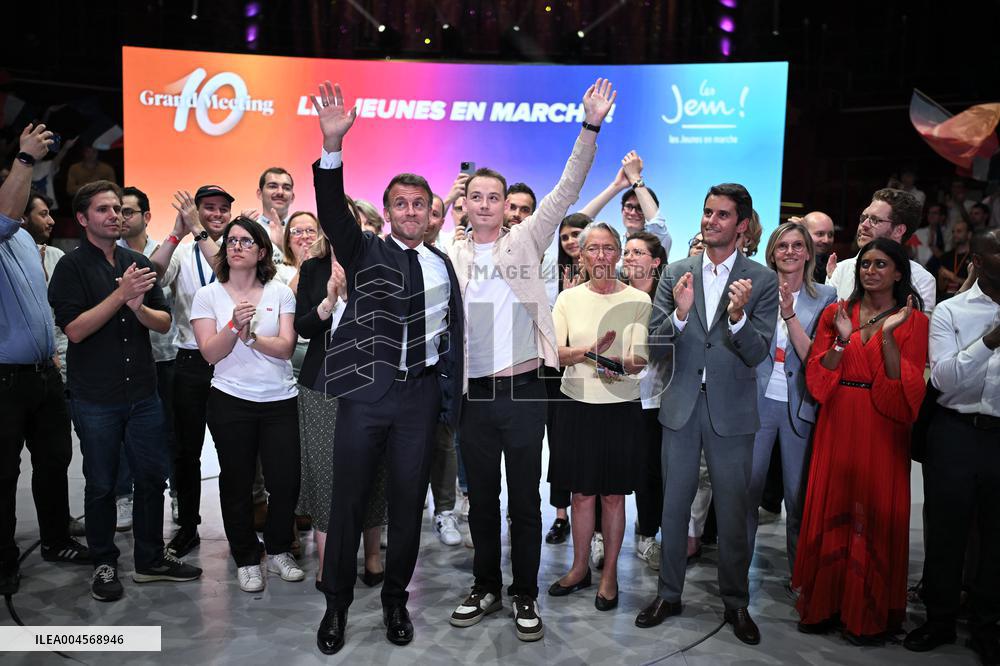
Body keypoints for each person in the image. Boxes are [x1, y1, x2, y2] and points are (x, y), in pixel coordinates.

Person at [445, 79, 617, 642]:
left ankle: (524, 593)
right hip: (471, 394)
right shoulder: (451, 252)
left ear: (504, 205)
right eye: (477, 197)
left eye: (496, 197)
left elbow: (569, 186)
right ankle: (485, 585)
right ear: (464, 203)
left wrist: (589, 126)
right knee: (483, 504)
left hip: (523, 391)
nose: (488, 205)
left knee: (524, 500)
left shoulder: (528, 239)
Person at [310, 81, 464, 655]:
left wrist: (453, 399)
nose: (409, 211)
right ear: (390, 209)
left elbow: (453, 337)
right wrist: (332, 147)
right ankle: (336, 606)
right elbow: (331, 209)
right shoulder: (364, 249)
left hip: (420, 399)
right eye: (399, 203)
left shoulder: (444, 264)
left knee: (407, 505)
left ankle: (396, 600)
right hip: (366, 398)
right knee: (347, 502)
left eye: (418, 204)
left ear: (431, 213)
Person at [49, 180, 202, 601]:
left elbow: (164, 323)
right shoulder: (71, 268)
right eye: (103, 210)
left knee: (151, 477)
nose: (114, 215)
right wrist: (120, 296)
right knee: (101, 483)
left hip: (143, 393)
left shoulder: (138, 261)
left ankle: (151, 559)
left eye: (117, 209)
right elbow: (75, 330)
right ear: (82, 219)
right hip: (95, 396)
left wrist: (139, 307)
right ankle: (103, 561)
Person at [640, 183, 778, 645]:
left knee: (735, 513)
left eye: (722, 215)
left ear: (741, 226)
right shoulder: (677, 272)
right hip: (680, 407)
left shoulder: (761, 280)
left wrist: (738, 318)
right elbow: (654, 344)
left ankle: (736, 603)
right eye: (707, 212)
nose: (710, 221)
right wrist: (679, 315)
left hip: (733, 413)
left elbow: (759, 354)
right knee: (673, 509)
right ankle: (669, 593)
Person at [794, 238, 928, 644]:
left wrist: (887, 336)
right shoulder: (837, 312)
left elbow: (901, 388)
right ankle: (824, 605)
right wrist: (841, 339)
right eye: (866, 264)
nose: (871, 271)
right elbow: (819, 377)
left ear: (899, 272)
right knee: (833, 503)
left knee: (872, 510)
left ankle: (866, 613)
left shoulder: (914, 321)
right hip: (838, 418)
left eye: (881, 264)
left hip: (883, 425)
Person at [1, 124, 90, 597]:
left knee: (55, 461)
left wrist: (52, 356)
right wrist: (25, 158)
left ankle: (56, 540)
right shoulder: (1, 228)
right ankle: (1, 561)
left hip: (42, 373)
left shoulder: (23, 240)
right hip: (4, 380)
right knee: (3, 472)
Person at [190, 216, 302, 592]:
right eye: (231, 241)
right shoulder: (208, 296)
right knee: (236, 481)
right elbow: (209, 354)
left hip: (279, 400)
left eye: (245, 241)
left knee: (285, 481)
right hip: (230, 400)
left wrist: (251, 337)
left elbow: (285, 348)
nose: (236, 246)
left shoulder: (280, 291)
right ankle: (246, 557)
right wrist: (234, 327)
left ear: (262, 252)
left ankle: (279, 549)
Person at [905, 229, 1000, 663]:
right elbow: (942, 378)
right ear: (977, 261)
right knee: (946, 533)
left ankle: (987, 625)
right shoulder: (951, 311)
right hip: (955, 432)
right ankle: (939, 620)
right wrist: (990, 341)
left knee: (996, 539)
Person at [547, 221, 650, 611]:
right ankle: (578, 568)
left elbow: (639, 361)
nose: (601, 256)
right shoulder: (567, 299)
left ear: (620, 253)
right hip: (576, 404)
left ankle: (608, 575)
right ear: (582, 255)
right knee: (580, 493)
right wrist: (592, 352)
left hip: (621, 408)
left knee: (613, 495)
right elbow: (555, 353)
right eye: (593, 249)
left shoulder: (639, 300)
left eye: (609, 248)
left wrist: (616, 363)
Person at [294, 235, 387, 590]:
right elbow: (303, 326)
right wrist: (330, 301)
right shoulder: (313, 268)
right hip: (322, 382)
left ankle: (374, 558)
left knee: (373, 469)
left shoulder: (379, 266)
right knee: (324, 472)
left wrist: (352, 296)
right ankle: (327, 565)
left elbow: (389, 323)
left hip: (371, 382)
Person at [746, 222, 836, 576]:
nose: (790, 252)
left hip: (801, 403)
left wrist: (790, 313)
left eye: (798, 245)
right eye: (782, 246)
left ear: (809, 253)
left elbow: (816, 357)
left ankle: (800, 576)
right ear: (772, 253)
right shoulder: (755, 292)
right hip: (758, 401)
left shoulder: (826, 297)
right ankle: (738, 573)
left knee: (798, 498)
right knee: (748, 493)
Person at [149, 185, 235, 557]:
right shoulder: (183, 253)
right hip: (190, 361)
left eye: (222, 209)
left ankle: (239, 528)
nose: (216, 215)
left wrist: (199, 230)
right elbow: (151, 274)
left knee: (236, 451)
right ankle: (188, 527)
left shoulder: (240, 247)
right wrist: (176, 231)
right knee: (186, 451)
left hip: (233, 361)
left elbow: (225, 273)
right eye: (208, 209)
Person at [113, 186, 181, 529]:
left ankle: (175, 493)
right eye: (116, 211)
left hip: (166, 355)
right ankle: (123, 496)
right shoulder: (108, 252)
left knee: (170, 429)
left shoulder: (167, 251)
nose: (120, 217)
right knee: (123, 432)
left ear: (146, 216)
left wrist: (175, 238)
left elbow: (156, 275)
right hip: (126, 359)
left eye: (127, 211)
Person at [621, 231, 668, 572]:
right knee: (607, 469)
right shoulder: (611, 296)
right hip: (612, 396)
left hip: (652, 398)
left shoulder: (666, 302)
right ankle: (599, 536)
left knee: (648, 473)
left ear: (655, 262)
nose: (630, 257)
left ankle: (647, 535)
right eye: (627, 251)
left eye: (638, 252)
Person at [544, 212, 591, 546]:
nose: (571, 241)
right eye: (565, 237)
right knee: (559, 445)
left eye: (577, 235)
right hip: (555, 372)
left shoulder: (608, 278)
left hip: (593, 373)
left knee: (589, 448)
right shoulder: (551, 274)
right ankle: (561, 515)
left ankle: (594, 522)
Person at [826, 188, 936, 313]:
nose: (864, 225)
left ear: (898, 230)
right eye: (863, 218)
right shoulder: (840, 270)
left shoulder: (922, 280)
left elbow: (918, 329)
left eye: (875, 220)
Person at [580, 150, 672, 260]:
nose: (633, 213)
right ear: (622, 210)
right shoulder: (613, 244)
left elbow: (656, 221)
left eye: (640, 208)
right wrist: (616, 186)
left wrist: (635, 177)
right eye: (629, 206)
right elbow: (577, 223)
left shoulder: (659, 239)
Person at [256, 167, 296, 253]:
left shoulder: (305, 231)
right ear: (260, 194)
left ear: (292, 197)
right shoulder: (248, 229)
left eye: (286, 188)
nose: (280, 192)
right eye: (273, 186)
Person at [934, 218, 971, 300]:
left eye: (959, 231)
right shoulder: (946, 256)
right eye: (953, 232)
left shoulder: (974, 257)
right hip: (946, 299)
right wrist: (941, 277)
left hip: (966, 298)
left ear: (969, 234)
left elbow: (976, 284)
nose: (955, 234)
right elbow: (940, 287)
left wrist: (954, 278)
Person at [802, 211, 835, 283]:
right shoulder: (793, 263)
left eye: (830, 235)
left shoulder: (835, 265)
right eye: (820, 234)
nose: (826, 240)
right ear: (804, 233)